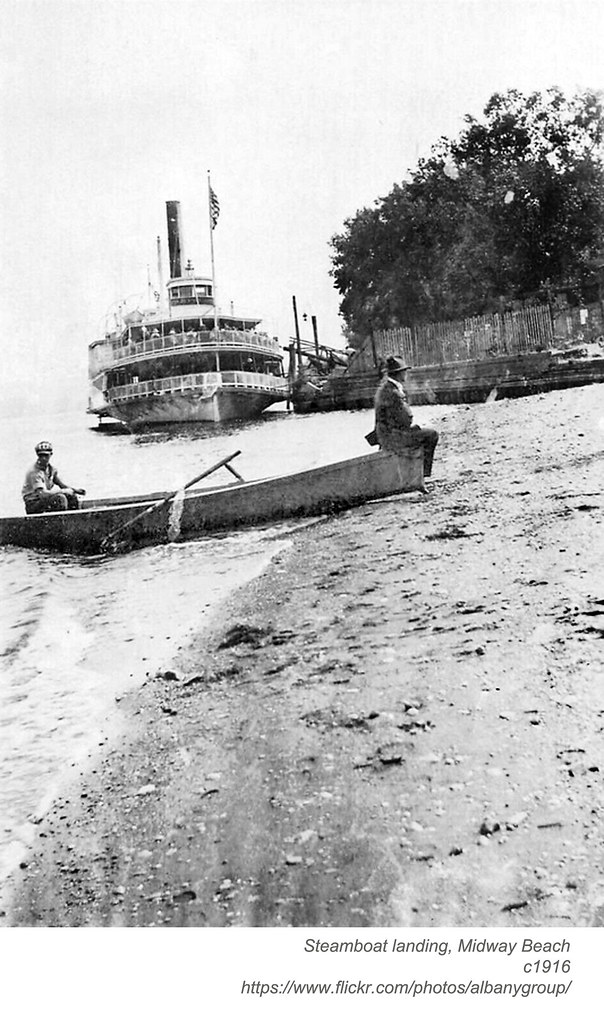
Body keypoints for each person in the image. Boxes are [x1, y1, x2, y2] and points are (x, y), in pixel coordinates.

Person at [373, 355, 439, 477]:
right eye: (405, 371)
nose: (406, 374)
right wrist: (414, 426)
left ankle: (414, 471)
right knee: (432, 435)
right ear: (399, 374)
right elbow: (406, 419)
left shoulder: (385, 388)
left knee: (420, 432)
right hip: (393, 438)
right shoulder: (394, 392)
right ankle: (422, 473)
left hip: (385, 436)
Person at [22, 441, 86, 515]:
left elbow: (62, 485)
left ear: (51, 454)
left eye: (46, 455)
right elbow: (42, 493)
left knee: (71, 496)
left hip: (43, 500)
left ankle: (75, 521)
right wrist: (63, 491)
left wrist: (75, 490)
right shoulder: (34, 472)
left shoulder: (51, 469)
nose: (43, 458)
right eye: (41, 455)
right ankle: (60, 523)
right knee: (60, 498)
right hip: (33, 503)